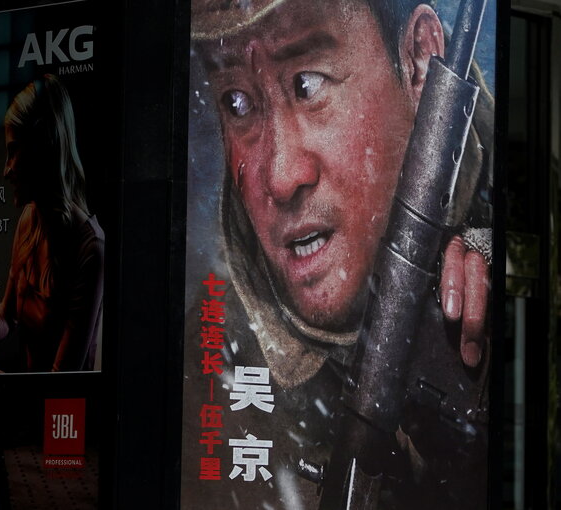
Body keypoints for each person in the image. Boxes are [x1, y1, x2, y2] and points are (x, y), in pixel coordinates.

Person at [187, 0, 493, 507]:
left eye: (308, 84)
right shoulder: (201, 372)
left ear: (420, 61)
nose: (281, 177)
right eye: (237, 103)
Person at [0, 73, 105, 374]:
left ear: (45, 148)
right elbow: (8, 313)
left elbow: (59, 381)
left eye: (14, 152)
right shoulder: (30, 218)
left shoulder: (90, 248)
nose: (5, 170)